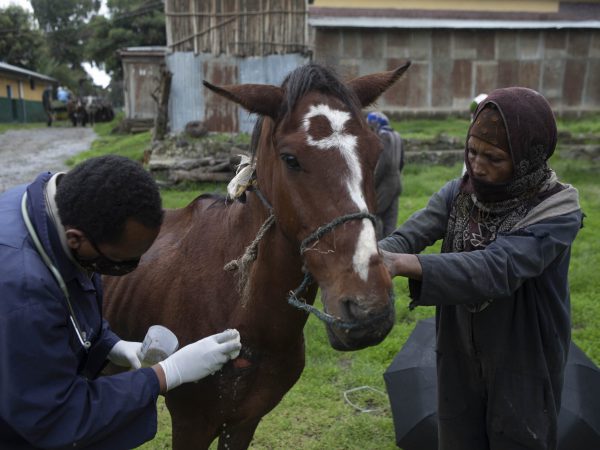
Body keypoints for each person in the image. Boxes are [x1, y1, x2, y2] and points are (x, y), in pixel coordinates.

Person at [379, 87, 582, 450]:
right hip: (457, 346)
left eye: (494, 157)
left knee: (519, 437)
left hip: (524, 354)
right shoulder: (459, 194)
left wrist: (402, 264)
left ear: (527, 158)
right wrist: (370, 255)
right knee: (458, 435)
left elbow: (495, 268)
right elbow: (410, 234)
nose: (477, 165)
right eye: (472, 152)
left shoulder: (556, 212)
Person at [0, 155, 242, 449]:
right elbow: (55, 416)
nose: (131, 266)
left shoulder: (51, 207)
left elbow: (73, 302)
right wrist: (166, 375)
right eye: (121, 262)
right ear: (77, 239)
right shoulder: (25, 293)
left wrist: (110, 345)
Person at [367, 111, 405, 239]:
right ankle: (390, 247)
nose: (370, 129)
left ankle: (378, 246)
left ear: (376, 123)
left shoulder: (383, 136)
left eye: (371, 125)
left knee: (375, 214)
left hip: (385, 185)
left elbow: (383, 163)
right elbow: (402, 162)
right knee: (391, 219)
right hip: (397, 182)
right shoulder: (397, 135)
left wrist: (372, 182)